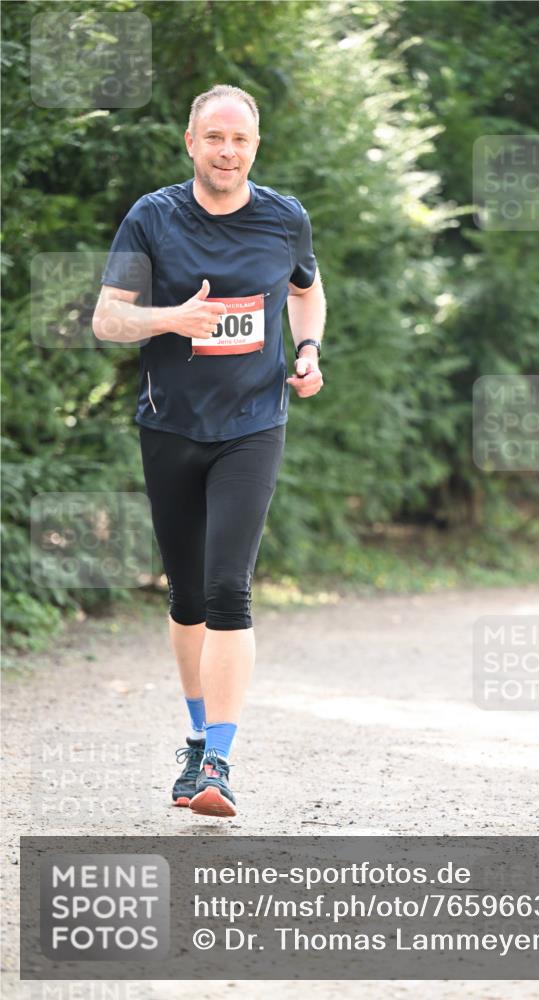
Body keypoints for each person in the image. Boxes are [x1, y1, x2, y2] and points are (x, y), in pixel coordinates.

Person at [92, 84, 326, 818]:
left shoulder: (283, 217)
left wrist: (310, 347)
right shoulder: (152, 217)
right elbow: (107, 320)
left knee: (229, 587)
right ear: (191, 143)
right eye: (214, 138)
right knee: (187, 596)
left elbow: (305, 291)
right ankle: (195, 740)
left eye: (241, 140)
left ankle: (219, 761)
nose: (228, 151)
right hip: (169, 424)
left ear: (255, 148)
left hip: (253, 422)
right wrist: (176, 318)